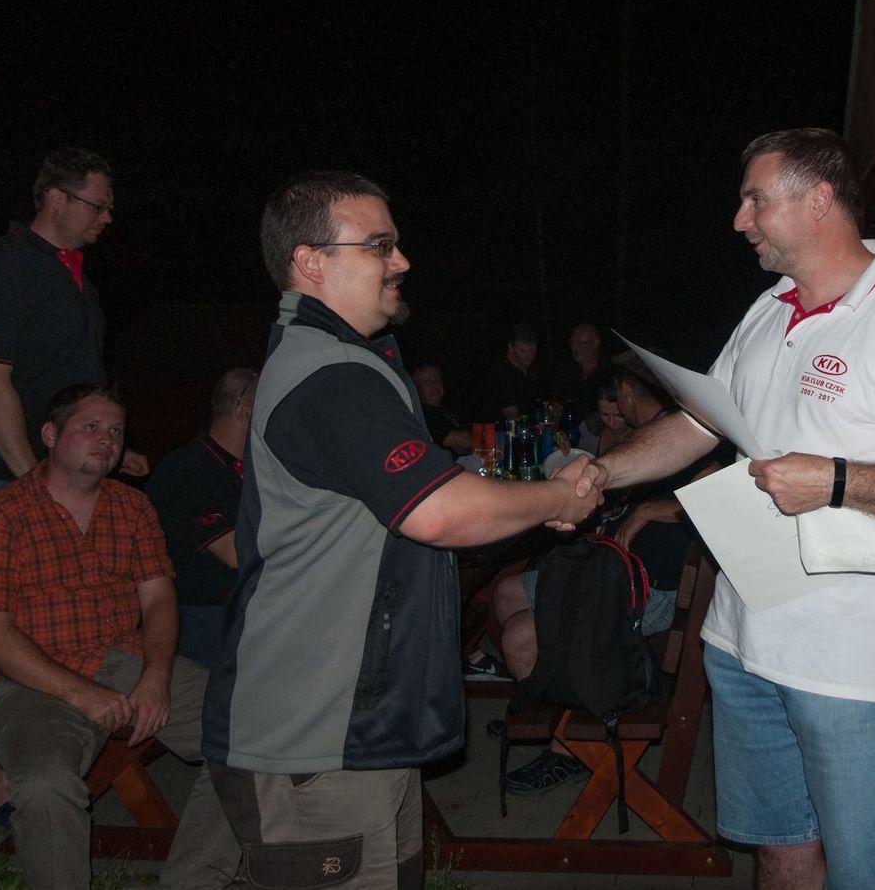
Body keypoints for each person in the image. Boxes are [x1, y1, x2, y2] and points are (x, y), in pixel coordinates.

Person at [578, 128, 875, 890]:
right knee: (779, 857)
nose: (740, 220)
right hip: (742, 644)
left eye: (755, 200)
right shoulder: (769, 310)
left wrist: (834, 480)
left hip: (853, 666)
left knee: (867, 877)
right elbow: (698, 424)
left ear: (818, 201)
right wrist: (600, 474)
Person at [200, 171, 600, 888]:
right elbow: (439, 510)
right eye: (379, 245)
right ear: (309, 262)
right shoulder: (329, 377)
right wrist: (557, 497)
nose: (402, 261)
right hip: (316, 730)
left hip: (356, 721)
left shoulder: (348, 361)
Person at [0, 384, 237, 890]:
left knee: (254, 737)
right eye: (91, 427)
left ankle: (194, 879)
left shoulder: (133, 508)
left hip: (126, 660)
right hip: (32, 679)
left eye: (116, 431)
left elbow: (159, 599)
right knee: (44, 785)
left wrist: (156, 676)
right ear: (50, 435)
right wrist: (84, 694)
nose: (108, 440)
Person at [490, 364, 724, 793]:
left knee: (520, 634)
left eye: (617, 402)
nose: (614, 413)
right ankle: (550, 706)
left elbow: (717, 487)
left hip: (645, 590)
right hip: (619, 575)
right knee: (508, 595)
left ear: (629, 391)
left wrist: (648, 510)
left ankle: (569, 747)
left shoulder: (682, 439)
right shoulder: (640, 437)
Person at [0, 147, 148, 500]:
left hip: (67, 471)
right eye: (97, 206)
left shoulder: (73, 277)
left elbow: (73, 377)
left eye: (109, 208)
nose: (107, 218)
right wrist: (35, 481)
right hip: (11, 476)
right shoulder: (1, 267)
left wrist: (105, 445)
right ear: (57, 198)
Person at [145, 368, 254, 668]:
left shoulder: (246, 469)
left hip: (242, 611)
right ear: (246, 410)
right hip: (202, 619)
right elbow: (235, 552)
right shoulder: (190, 467)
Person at [480, 321, 542, 420]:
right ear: (511, 347)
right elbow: (511, 415)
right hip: (500, 427)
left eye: (532, 351)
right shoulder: (500, 373)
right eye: (523, 351)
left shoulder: (533, 368)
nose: (529, 356)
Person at [412, 362, 472, 454]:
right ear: (415, 387)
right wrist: (489, 437)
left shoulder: (448, 410)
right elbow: (461, 441)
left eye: (437, 379)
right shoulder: (424, 415)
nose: (435, 385)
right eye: (428, 381)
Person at [551, 321, 604, 420]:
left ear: (595, 343)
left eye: (580, 343)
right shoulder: (565, 369)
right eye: (572, 343)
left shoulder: (606, 371)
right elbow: (557, 402)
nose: (575, 348)